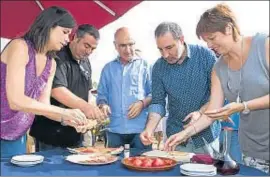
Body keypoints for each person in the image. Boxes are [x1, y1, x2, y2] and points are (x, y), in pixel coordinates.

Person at [165, 3, 269, 174]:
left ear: (228, 28)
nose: (208, 45)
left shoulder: (264, 46)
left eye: (212, 38)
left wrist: (244, 106)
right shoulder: (218, 68)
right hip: (253, 152)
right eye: (206, 40)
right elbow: (212, 111)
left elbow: (243, 106)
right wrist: (185, 134)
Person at [0, 6, 89, 157]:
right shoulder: (20, 47)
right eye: (65, 32)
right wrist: (64, 111)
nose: (68, 40)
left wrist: (68, 119)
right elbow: (15, 100)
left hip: (17, 136)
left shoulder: (52, 63)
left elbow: (44, 106)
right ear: (49, 26)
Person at [140, 22, 221, 154]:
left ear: (181, 40)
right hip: (175, 138)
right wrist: (149, 128)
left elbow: (217, 96)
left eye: (169, 47)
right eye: (160, 49)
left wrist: (200, 112)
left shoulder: (206, 56)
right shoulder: (158, 67)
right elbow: (158, 102)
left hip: (206, 136)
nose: (165, 55)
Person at [29, 24, 104, 150]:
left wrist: (92, 107)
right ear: (74, 37)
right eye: (86, 46)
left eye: (93, 49)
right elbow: (57, 90)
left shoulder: (86, 62)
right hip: (50, 133)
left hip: (75, 133)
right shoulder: (57, 56)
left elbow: (88, 91)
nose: (89, 51)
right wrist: (85, 107)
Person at [97, 27, 152, 150]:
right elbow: (101, 96)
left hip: (141, 131)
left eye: (131, 44)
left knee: (142, 165)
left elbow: (155, 94)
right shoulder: (107, 69)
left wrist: (142, 103)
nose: (128, 50)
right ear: (115, 46)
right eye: (122, 45)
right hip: (114, 131)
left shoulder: (146, 66)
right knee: (111, 167)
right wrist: (103, 105)